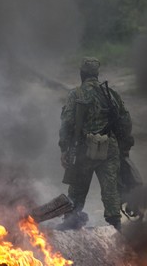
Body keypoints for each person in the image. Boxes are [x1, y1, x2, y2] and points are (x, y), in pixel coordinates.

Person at [57, 57, 134, 231]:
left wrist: (64, 148)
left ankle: (71, 219)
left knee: (77, 186)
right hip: (109, 146)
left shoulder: (76, 94)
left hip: (84, 148)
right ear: (97, 74)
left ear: (81, 74)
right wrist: (124, 146)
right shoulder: (111, 94)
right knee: (110, 187)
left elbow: (67, 123)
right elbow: (126, 121)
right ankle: (115, 224)